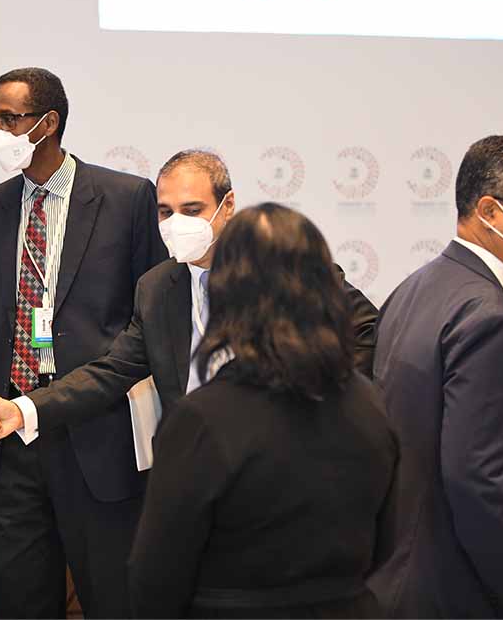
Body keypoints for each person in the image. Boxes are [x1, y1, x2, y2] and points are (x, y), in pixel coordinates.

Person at [0, 67, 168, 618]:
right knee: (21, 604)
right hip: (11, 439)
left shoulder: (125, 198)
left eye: (9, 119)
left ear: (48, 123)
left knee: (114, 601)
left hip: (95, 433)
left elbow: (151, 318)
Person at [0, 149, 378, 442]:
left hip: (279, 456)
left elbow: (366, 331)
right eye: (166, 212)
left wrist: (322, 411)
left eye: (192, 209)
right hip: (197, 460)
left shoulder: (282, 265)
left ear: (227, 206)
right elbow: (110, 371)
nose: (176, 223)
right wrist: (23, 409)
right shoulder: (157, 289)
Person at [127, 203, 398, 618]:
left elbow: (155, 578)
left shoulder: (200, 420)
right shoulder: (369, 403)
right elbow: (388, 542)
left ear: (226, 292)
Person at [368, 135, 503, 619]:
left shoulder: (414, 287)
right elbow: (475, 480)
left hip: (400, 574)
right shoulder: (487, 315)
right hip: (455, 587)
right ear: (489, 211)